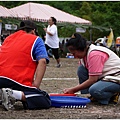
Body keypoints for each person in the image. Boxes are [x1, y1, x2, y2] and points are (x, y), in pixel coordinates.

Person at [0, 20, 51, 110]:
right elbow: (42, 61)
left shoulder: (8, 38)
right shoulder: (36, 40)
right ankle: (13, 94)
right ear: (33, 31)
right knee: (44, 98)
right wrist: (36, 85)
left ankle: (4, 94)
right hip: (16, 80)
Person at [63, 33, 120, 105]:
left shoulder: (95, 54)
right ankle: (91, 96)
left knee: (95, 91)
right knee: (81, 70)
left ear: (81, 49)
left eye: (74, 53)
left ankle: (111, 94)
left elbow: (93, 79)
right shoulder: (84, 56)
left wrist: (73, 89)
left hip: (116, 77)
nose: (74, 56)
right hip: (106, 77)